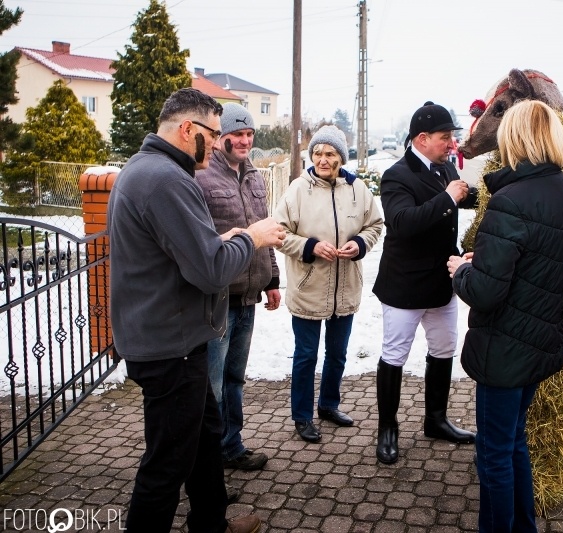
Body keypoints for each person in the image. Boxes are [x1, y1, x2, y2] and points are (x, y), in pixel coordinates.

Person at [108, 87, 285, 533]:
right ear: (188, 130)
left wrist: (223, 241)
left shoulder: (150, 170)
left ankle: (211, 522)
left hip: (177, 337)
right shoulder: (166, 179)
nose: (221, 139)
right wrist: (252, 237)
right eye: (214, 131)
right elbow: (209, 272)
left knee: (205, 439)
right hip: (169, 347)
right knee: (166, 465)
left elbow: (181, 252)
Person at [446, 100, 563, 533]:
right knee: (514, 443)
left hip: (506, 349)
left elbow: (486, 291)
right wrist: (485, 260)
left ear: (515, 137)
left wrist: (463, 270)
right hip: (539, 341)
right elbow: (535, 263)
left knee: (494, 455)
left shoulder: (510, 199)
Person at [372, 101, 478, 465]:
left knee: (444, 349)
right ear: (422, 138)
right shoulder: (396, 175)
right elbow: (402, 222)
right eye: (445, 137)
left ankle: (436, 420)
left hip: (442, 282)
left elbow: (465, 196)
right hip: (404, 285)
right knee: (395, 355)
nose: (451, 144)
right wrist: (449, 197)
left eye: (451, 136)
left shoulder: (445, 167)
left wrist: (499, 189)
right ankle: (388, 429)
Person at [274, 125, 383, 443]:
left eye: (330, 153)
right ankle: (303, 416)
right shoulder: (298, 189)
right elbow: (280, 233)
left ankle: (329, 405)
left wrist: (360, 244)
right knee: (306, 354)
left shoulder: (358, 189)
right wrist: (310, 247)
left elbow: (375, 224)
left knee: (337, 353)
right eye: (318, 153)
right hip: (309, 286)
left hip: (345, 285)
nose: (323, 159)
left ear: (341, 158)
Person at [195, 102, 280, 472]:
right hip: (217, 298)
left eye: (249, 135)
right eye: (236, 135)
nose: (244, 141)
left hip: (248, 296)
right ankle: (206, 463)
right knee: (211, 384)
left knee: (234, 378)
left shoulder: (255, 176)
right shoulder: (200, 178)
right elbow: (197, 240)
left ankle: (232, 445)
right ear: (219, 139)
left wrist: (273, 278)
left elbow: (265, 230)